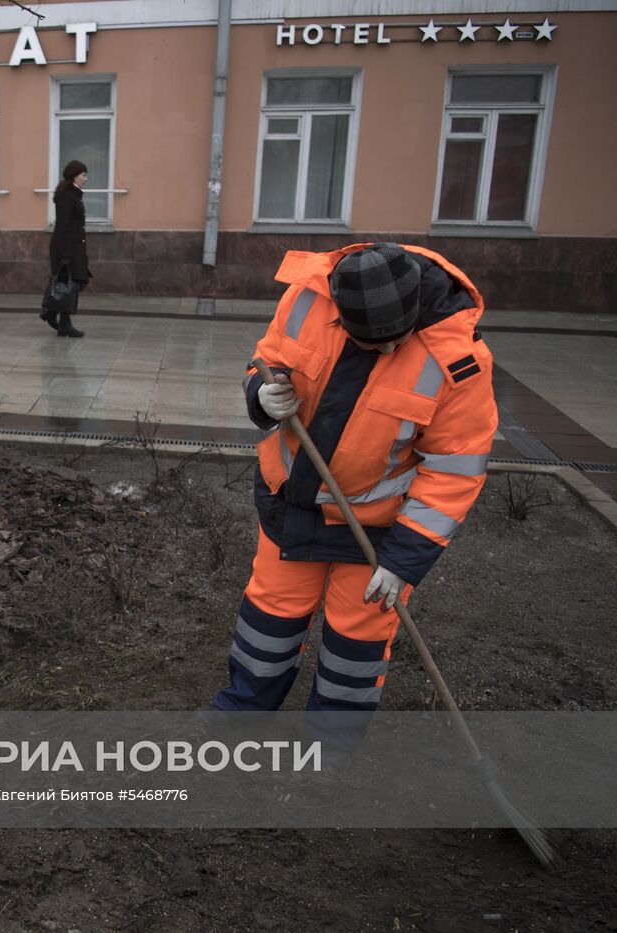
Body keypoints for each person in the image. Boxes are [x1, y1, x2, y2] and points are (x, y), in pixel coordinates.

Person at [205, 243, 498, 746]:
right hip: (290, 508)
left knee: (354, 647)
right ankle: (241, 716)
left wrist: (405, 558)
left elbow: (454, 469)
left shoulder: (458, 360)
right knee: (267, 623)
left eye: (392, 344)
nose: (383, 353)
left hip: (377, 533)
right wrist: (262, 394)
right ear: (339, 315)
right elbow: (269, 360)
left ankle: (330, 746)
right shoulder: (305, 299)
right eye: (367, 343)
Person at [44, 160, 90, 338]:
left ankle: (53, 314)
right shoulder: (67, 197)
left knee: (75, 282)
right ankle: (60, 319)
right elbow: (62, 227)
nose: (86, 179)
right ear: (74, 176)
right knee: (71, 283)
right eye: (83, 175)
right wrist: (64, 255)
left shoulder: (74, 195)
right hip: (66, 248)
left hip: (75, 247)